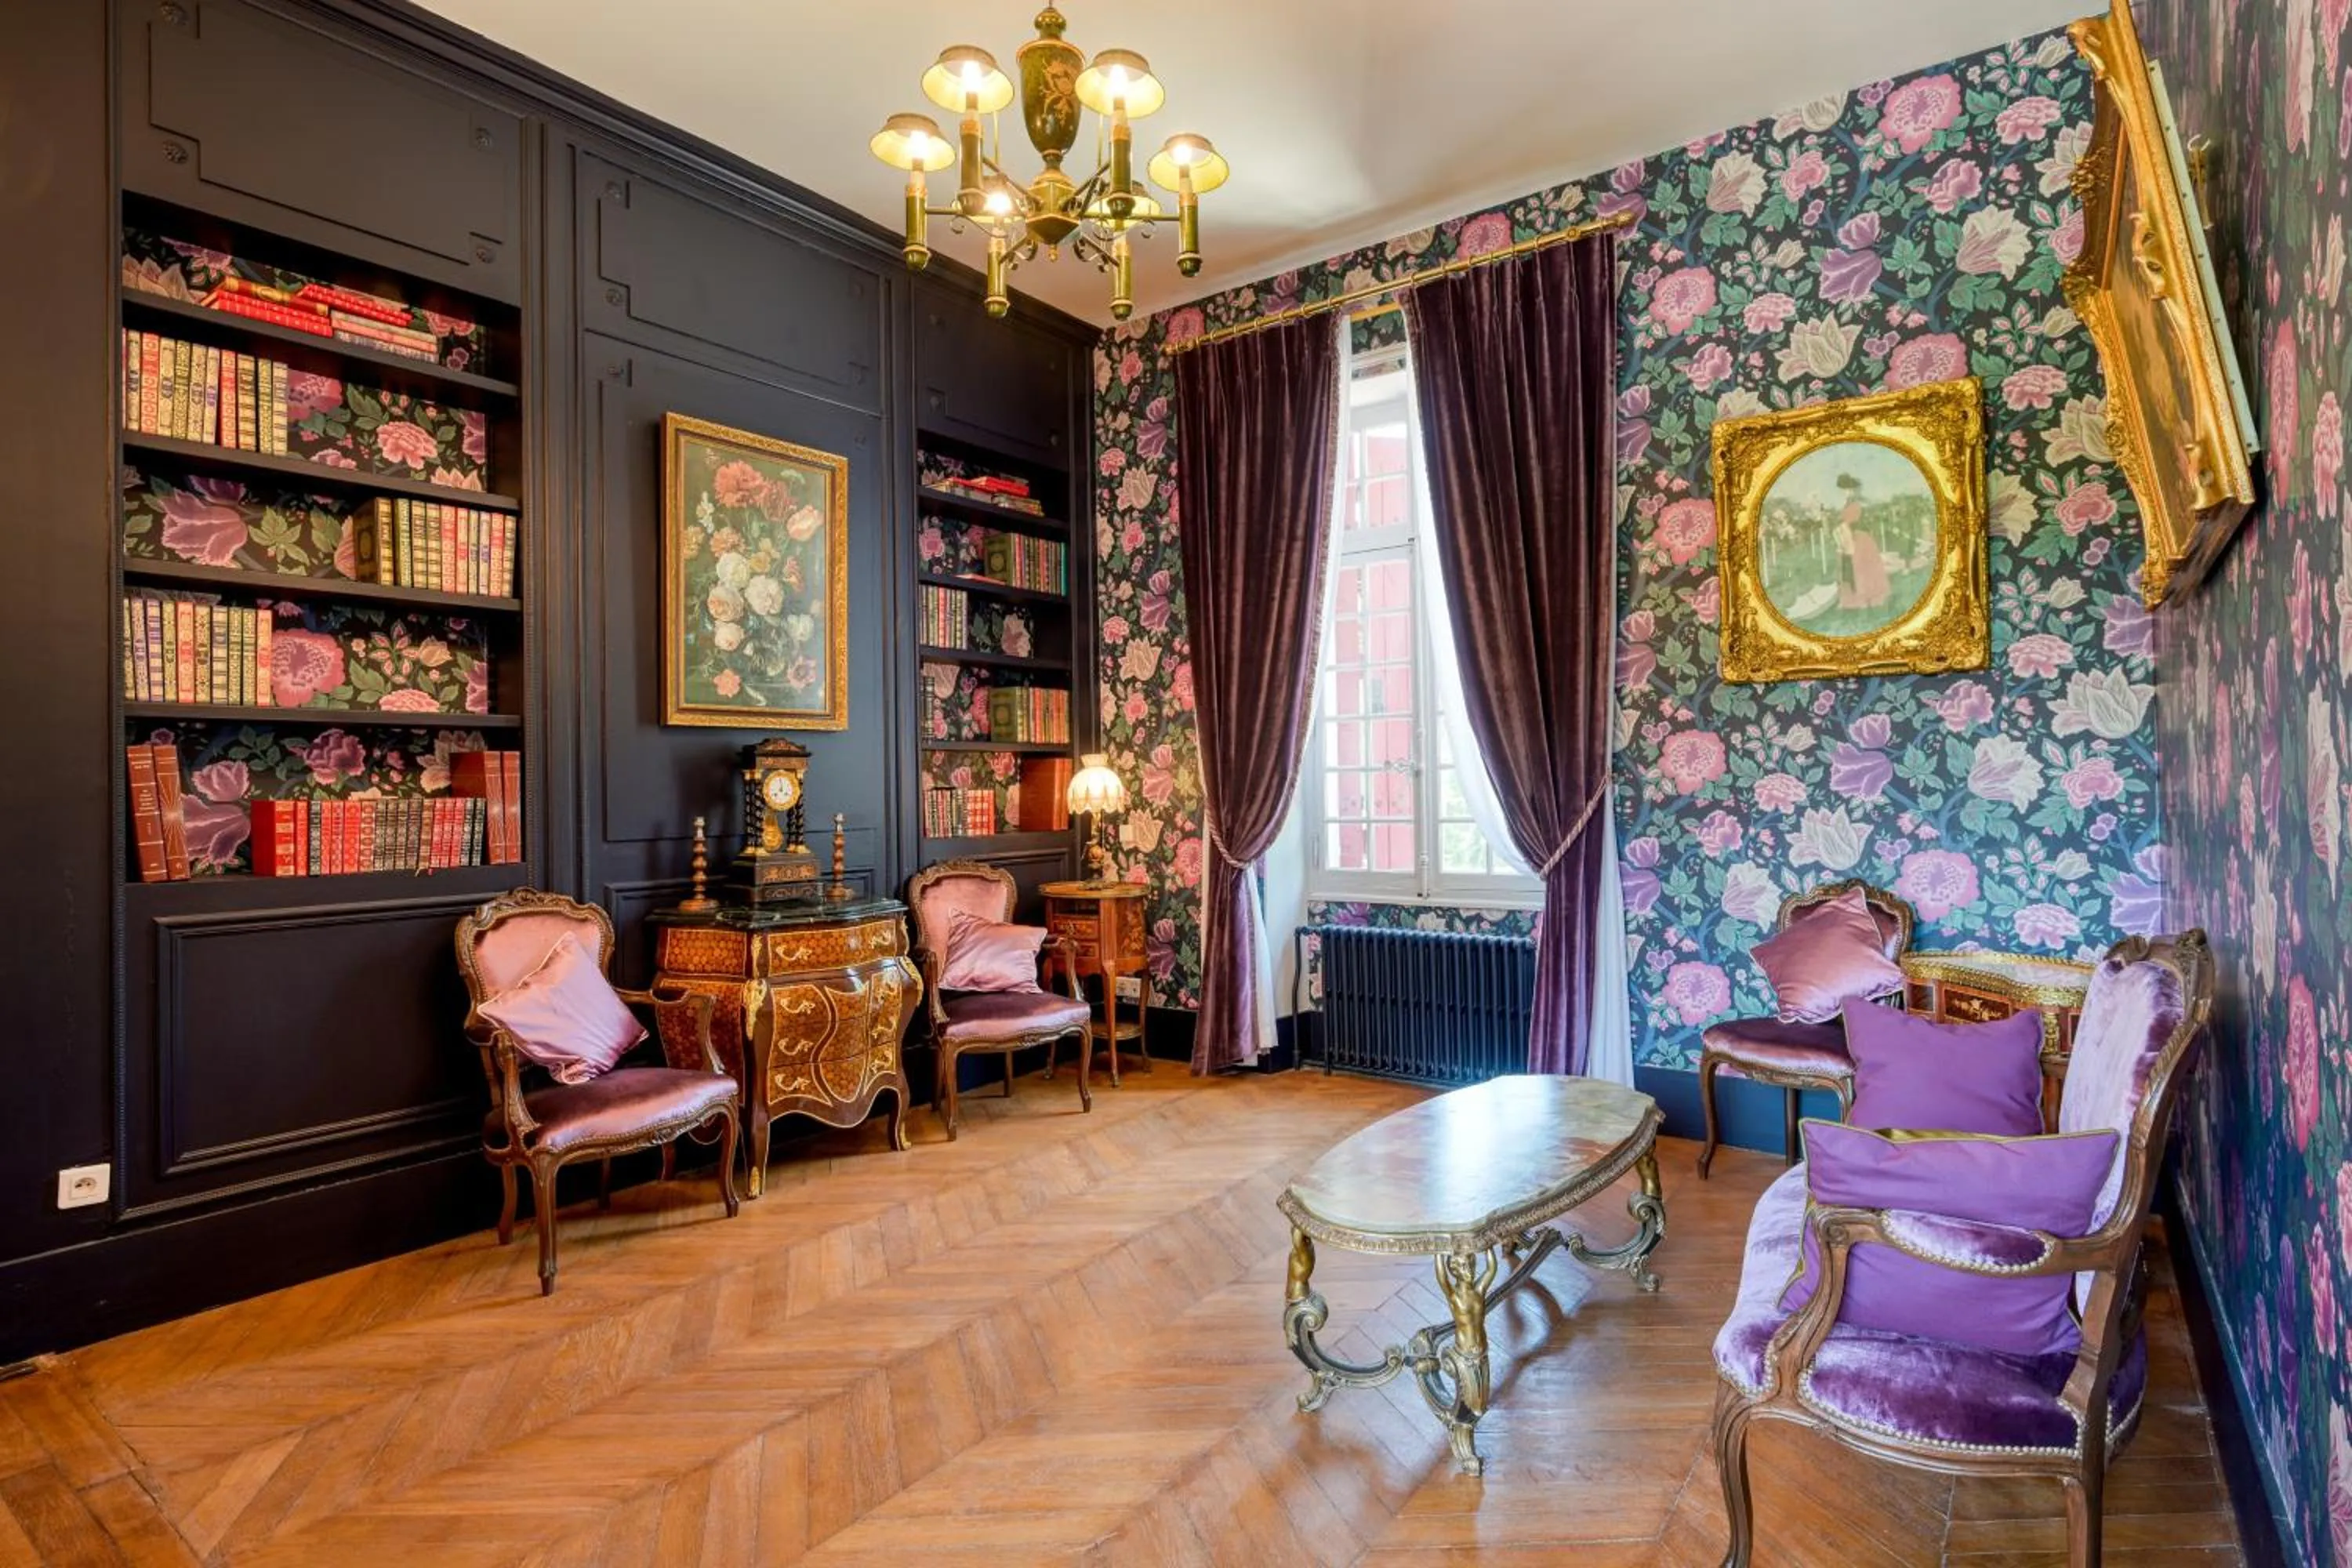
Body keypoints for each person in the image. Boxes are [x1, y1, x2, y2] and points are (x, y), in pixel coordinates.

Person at [1832, 472, 1891, 611]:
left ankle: (1867, 598)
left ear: (1854, 490)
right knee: (1853, 567)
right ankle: (1858, 598)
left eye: (1848, 489)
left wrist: (1843, 531)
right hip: (1852, 536)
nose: (1846, 492)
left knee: (1862, 568)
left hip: (1860, 538)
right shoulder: (1848, 503)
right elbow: (1845, 522)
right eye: (1844, 490)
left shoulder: (1856, 503)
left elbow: (1852, 521)